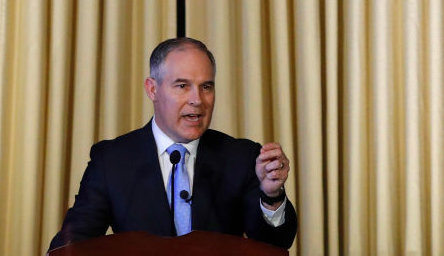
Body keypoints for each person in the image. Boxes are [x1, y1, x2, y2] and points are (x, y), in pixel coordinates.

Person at [48, 37, 297, 250]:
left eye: (206, 87)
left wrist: (271, 196)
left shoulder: (242, 157)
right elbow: (73, 244)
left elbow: (275, 244)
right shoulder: (111, 160)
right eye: (182, 86)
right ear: (152, 89)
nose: (197, 100)